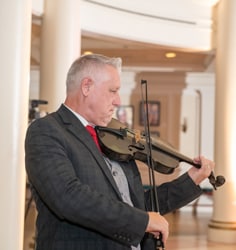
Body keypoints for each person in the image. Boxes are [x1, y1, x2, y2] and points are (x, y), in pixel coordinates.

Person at [25, 54, 215, 250]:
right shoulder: (47, 130)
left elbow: (136, 204)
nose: (117, 101)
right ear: (86, 86)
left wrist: (191, 180)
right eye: (113, 91)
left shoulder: (115, 137)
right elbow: (68, 197)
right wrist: (142, 222)